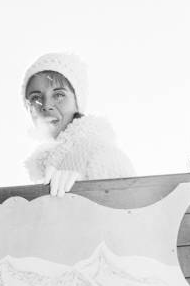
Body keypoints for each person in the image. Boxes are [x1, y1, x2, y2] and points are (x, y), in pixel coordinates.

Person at [22, 52, 135, 196]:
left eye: (59, 95)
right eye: (35, 98)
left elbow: (133, 212)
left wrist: (85, 192)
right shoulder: (42, 167)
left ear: (78, 101)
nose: (46, 105)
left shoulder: (101, 153)